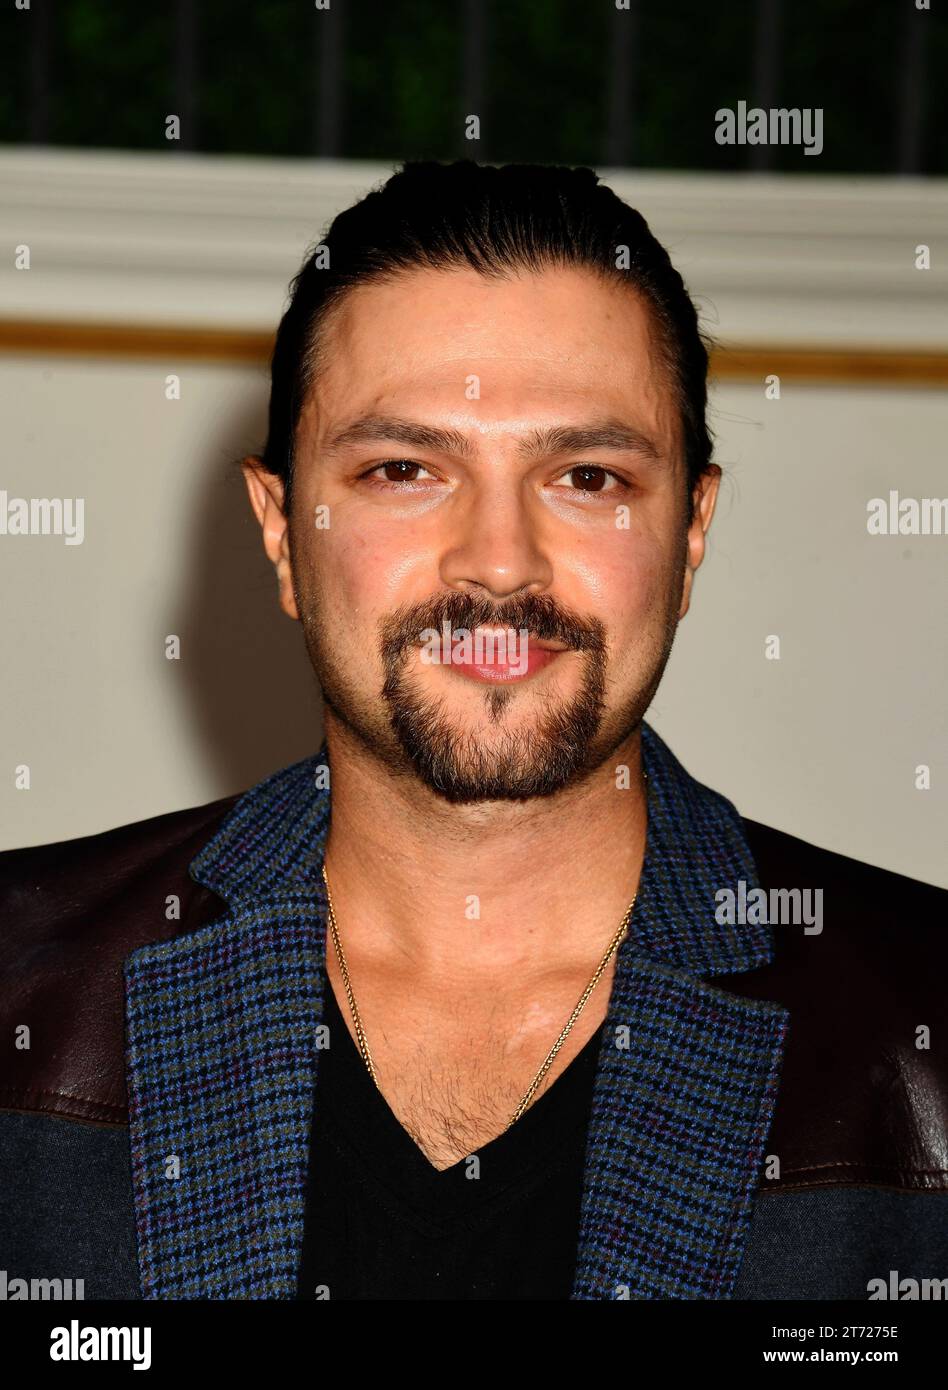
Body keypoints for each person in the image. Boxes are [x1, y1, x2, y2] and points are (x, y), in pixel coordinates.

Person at [1, 161, 945, 1302]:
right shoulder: (23, 993)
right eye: (404, 469)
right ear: (279, 530)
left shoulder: (921, 1027)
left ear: (690, 531)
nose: (499, 560)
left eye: (586, 476)